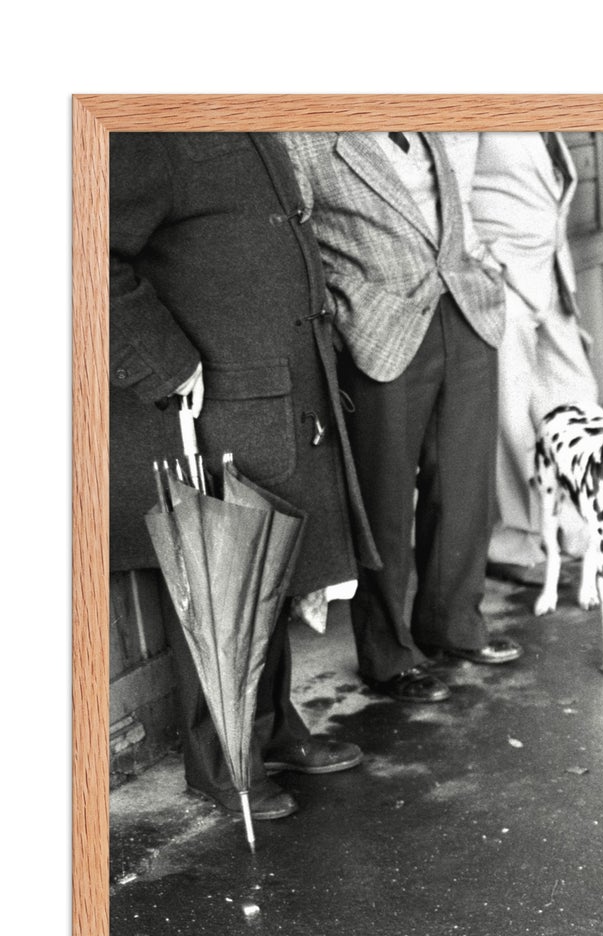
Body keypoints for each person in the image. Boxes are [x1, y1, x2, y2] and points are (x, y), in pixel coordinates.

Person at [110, 132, 380, 820]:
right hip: (203, 398)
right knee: (216, 579)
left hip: (269, 392)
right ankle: (224, 763)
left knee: (266, 572)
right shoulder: (151, 132)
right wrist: (162, 362)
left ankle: (273, 730)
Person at [278, 131, 515, 703]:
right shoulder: (302, 134)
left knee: (464, 489)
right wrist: (348, 306)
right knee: (382, 504)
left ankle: (453, 624)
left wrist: (486, 269)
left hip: (464, 312)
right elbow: (293, 242)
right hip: (379, 330)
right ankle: (388, 656)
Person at [453, 131, 602, 584]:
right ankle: (514, 543)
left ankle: (582, 531)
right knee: (511, 416)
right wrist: (486, 266)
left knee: (576, 395)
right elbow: (453, 192)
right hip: (502, 281)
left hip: (550, 272)